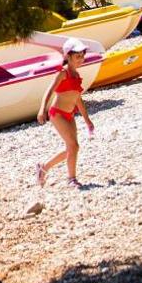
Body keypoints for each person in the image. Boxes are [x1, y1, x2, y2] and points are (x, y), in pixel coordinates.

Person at [35, 40, 95, 187]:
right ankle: (71, 179)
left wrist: (87, 120)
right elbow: (49, 90)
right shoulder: (63, 73)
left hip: (69, 115)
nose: (81, 59)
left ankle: (44, 167)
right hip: (57, 114)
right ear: (68, 56)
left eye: (82, 56)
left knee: (73, 147)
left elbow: (78, 99)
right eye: (77, 56)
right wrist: (42, 109)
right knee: (73, 146)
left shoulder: (76, 75)